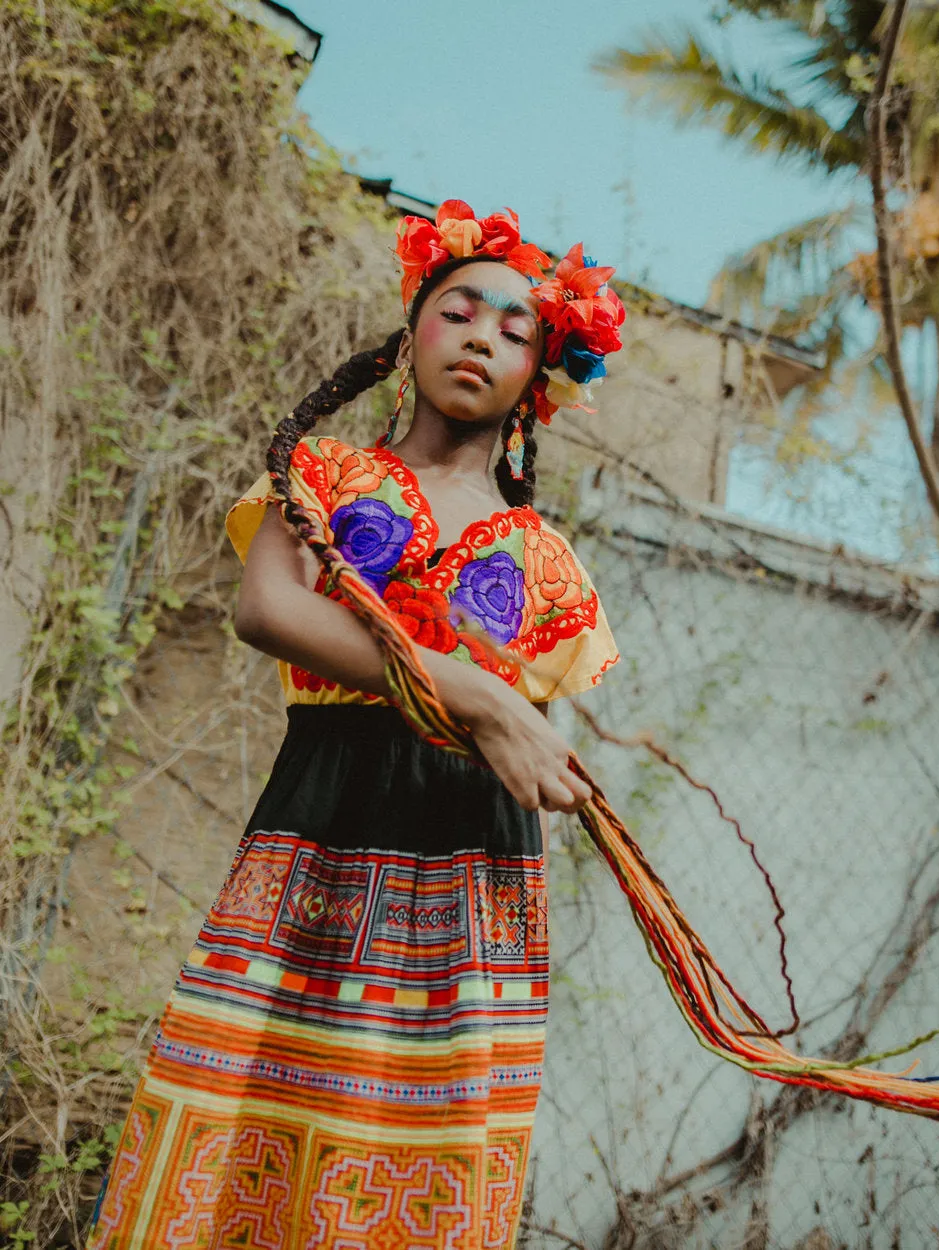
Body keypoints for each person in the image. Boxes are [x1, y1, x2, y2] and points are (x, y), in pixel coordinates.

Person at [87, 199, 624, 1249]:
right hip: (314, 835)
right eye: (458, 310)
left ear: (539, 380)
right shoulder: (325, 476)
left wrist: (512, 720)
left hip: (469, 879)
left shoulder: (549, 559)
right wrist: (470, 692)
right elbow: (270, 611)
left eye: (516, 330)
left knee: (418, 1163)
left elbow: (531, 736)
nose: (481, 335)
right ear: (409, 332)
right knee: (241, 1121)